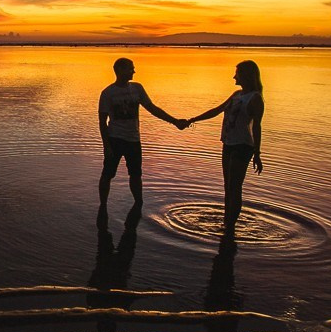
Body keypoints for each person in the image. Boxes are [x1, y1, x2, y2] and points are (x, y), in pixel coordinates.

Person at [186, 60, 264, 237]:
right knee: (228, 187)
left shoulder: (255, 98)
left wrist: (257, 154)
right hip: (228, 144)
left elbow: (257, 127)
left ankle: (230, 227)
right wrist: (193, 120)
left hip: (243, 146)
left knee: (235, 187)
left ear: (246, 75)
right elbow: (217, 110)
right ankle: (227, 224)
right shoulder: (237, 94)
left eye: (237, 73)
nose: (234, 76)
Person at [98, 57, 187, 207]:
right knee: (108, 174)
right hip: (115, 139)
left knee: (136, 174)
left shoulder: (137, 88)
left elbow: (153, 109)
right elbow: (102, 122)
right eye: (130, 68)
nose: (134, 71)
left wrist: (175, 121)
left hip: (133, 140)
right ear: (119, 70)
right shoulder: (108, 93)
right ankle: (103, 206)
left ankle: (138, 203)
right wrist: (106, 146)